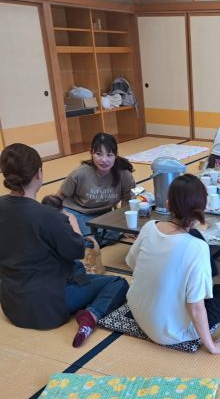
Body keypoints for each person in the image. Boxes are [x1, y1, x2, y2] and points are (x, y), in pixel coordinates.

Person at [0, 143, 129, 347]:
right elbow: (77, 251)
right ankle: (91, 314)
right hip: (50, 304)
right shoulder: (48, 215)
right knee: (118, 283)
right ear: (38, 174)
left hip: (13, 304)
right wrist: (73, 224)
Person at [125, 174, 220, 354]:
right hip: (169, 331)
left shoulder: (149, 227)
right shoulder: (197, 247)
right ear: (203, 209)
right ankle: (202, 288)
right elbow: (196, 307)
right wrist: (212, 347)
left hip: (137, 310)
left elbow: (132, 264)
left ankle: (200, 286)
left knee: (194, 237)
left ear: (168, 204)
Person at [57, 132, 135, 240]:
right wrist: (61, 214)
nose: (104, 160)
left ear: (116, 155)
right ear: (91, 152)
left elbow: (127, 202)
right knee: (84, 237)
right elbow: (59, 196)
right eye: (99, 154)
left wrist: (125, 227)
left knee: (112, 232)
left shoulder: (124, 174)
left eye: (109, 155)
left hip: (103, 215)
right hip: (78, 212)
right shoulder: (79, 174)